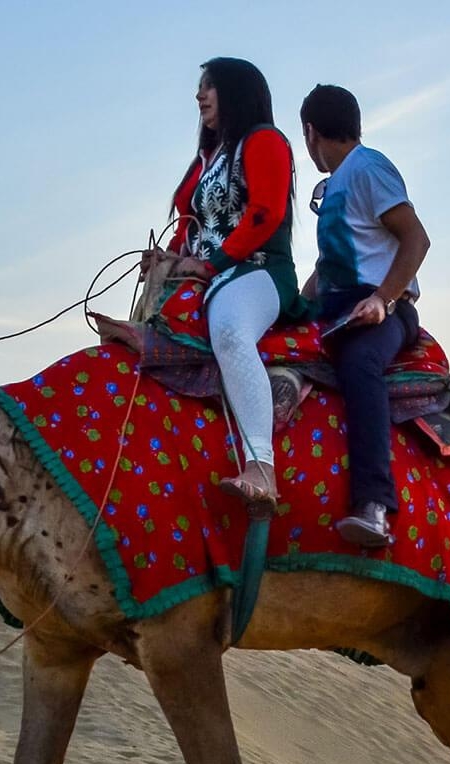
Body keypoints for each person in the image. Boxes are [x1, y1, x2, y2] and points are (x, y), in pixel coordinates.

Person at [162, 57, 308, 510]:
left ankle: (262, 467)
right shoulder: (207, 161)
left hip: (258, 271)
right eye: (199, 87)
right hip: (212, 276)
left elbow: (265, 214)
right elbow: (193, 226)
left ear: (236, 92)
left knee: (229, 331)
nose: (200, 95)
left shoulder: (263, 141)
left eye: (210, 86)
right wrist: (169, 258)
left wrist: (211, 264)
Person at [297, 84, 431, 547]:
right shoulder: (334, 185)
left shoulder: (369, 168)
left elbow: (416, 239)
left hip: (382, 311)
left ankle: (374, 504)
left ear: (310, 131)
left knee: (359, 364)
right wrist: (293, 306)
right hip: (335, 308)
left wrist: (384, 300)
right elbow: (327, 267)